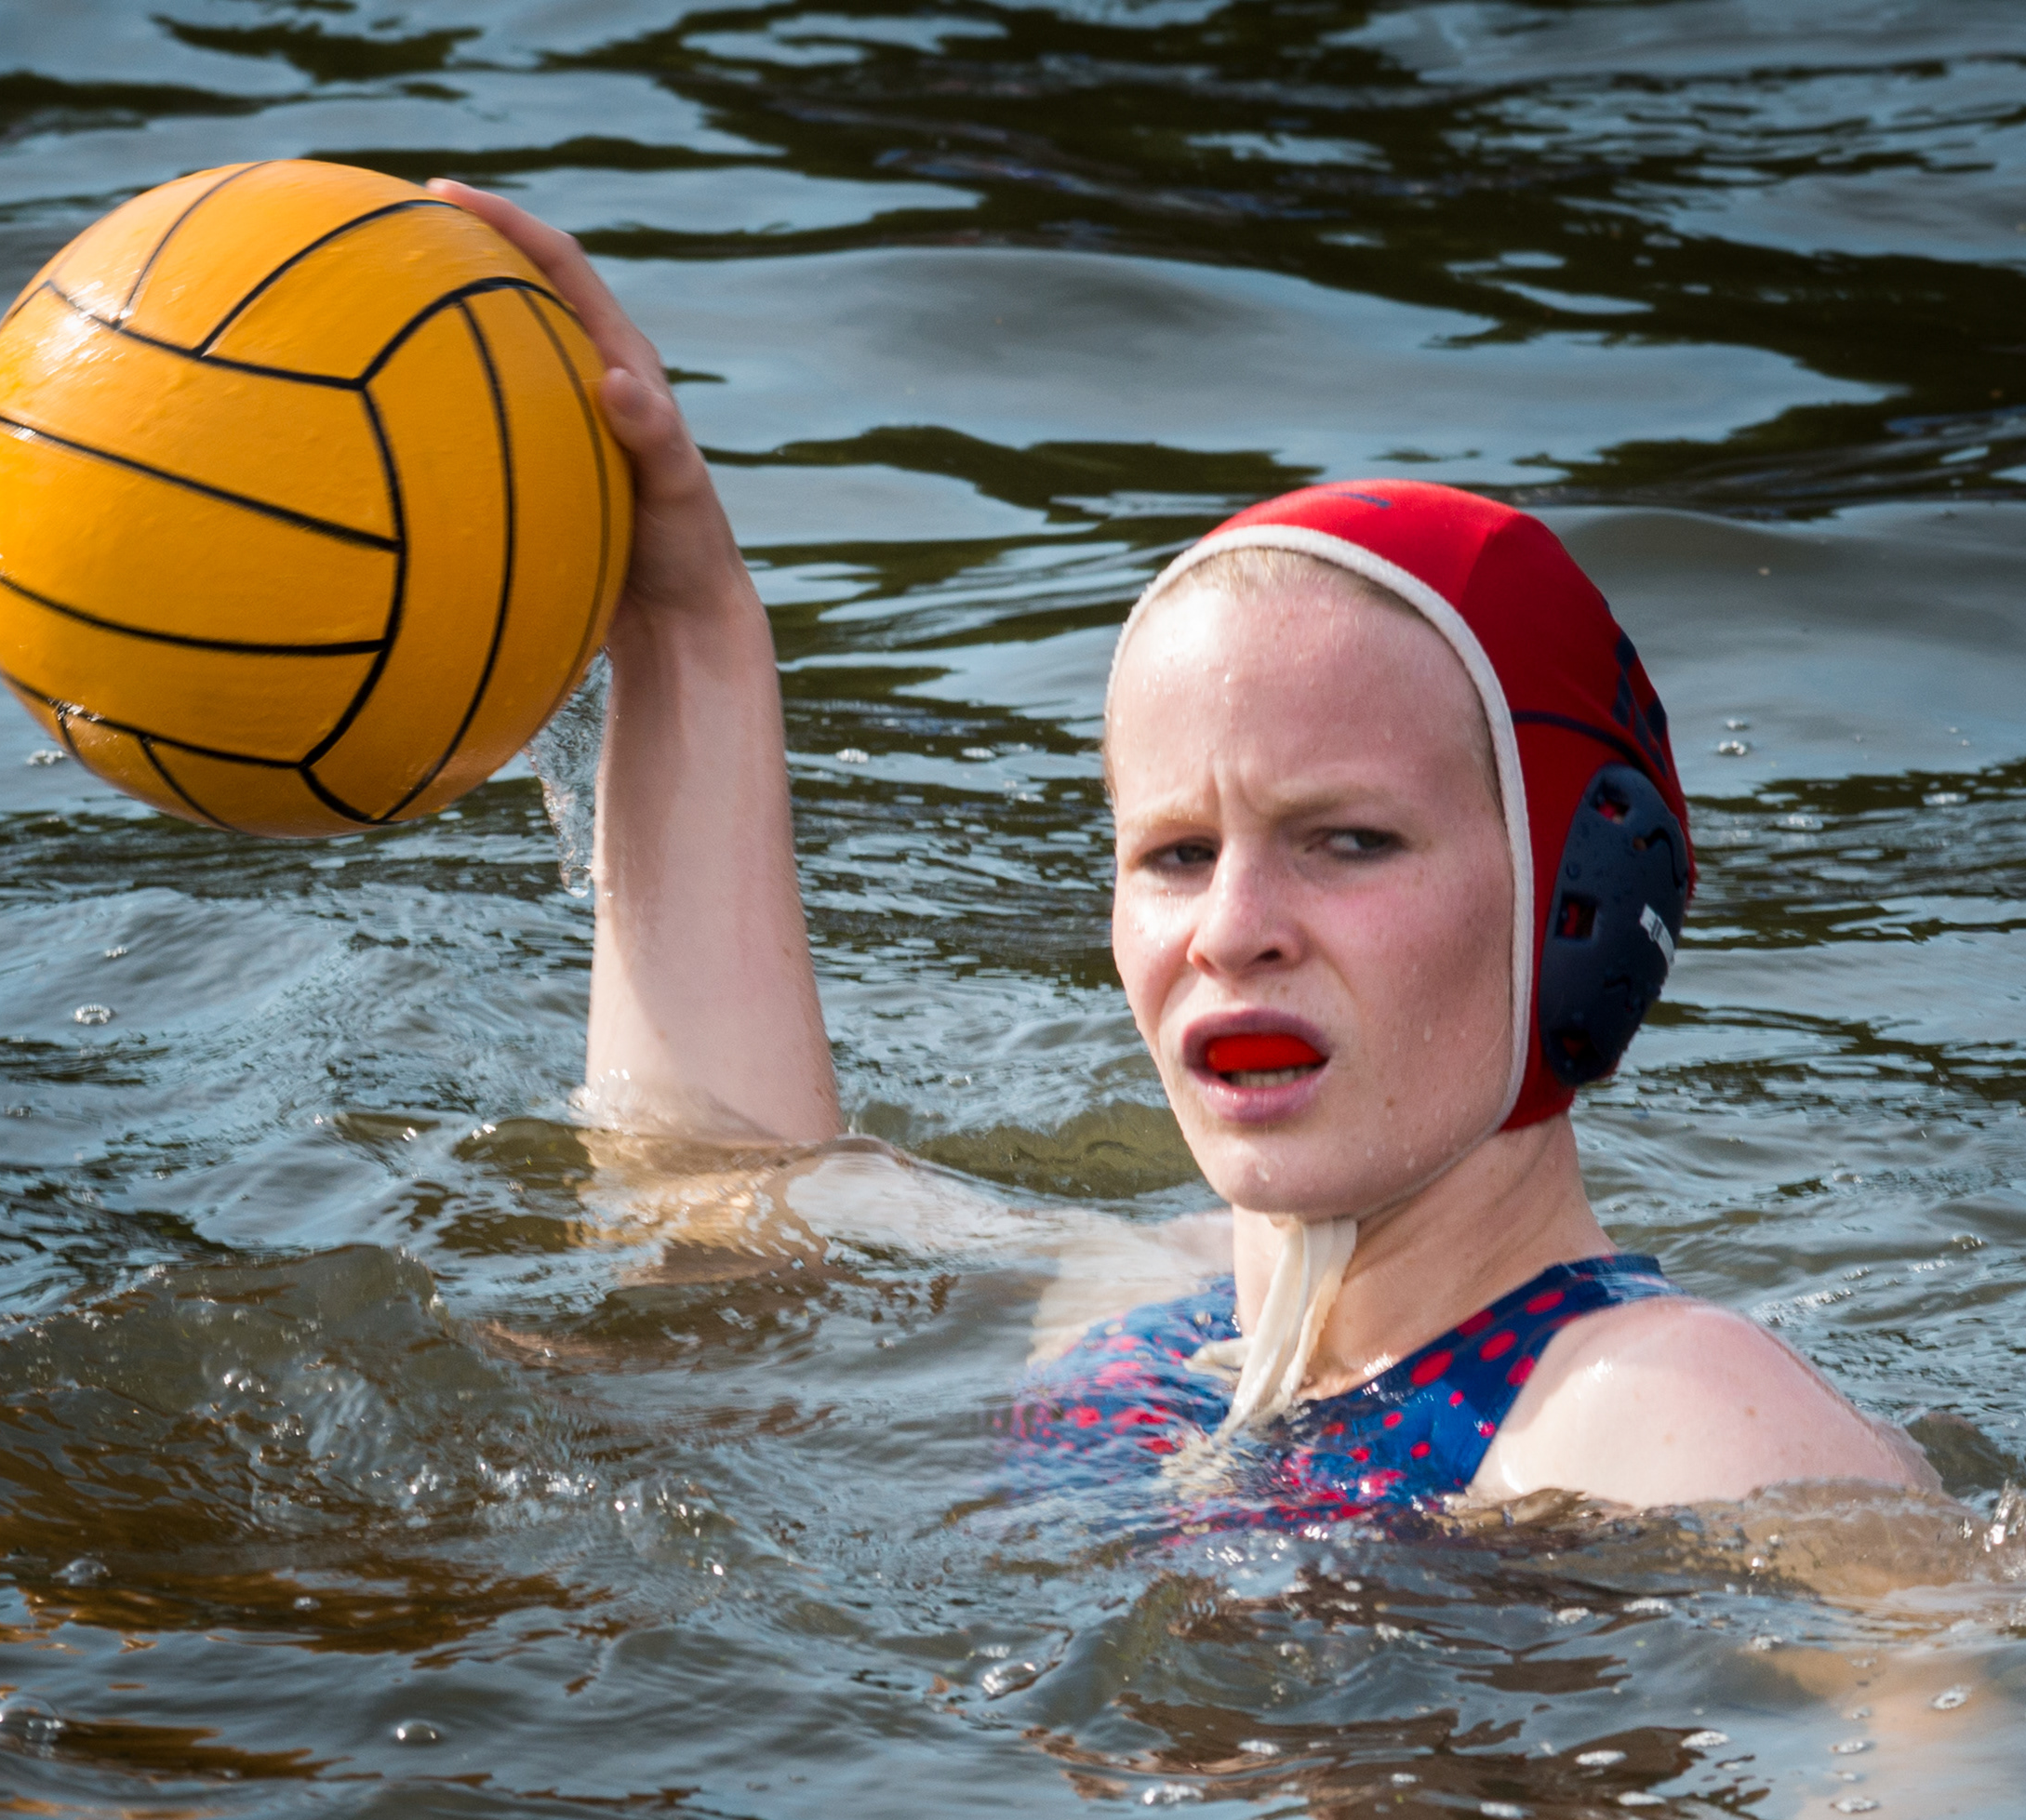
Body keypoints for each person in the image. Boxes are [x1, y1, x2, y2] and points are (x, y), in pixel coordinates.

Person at [433, 179, 1938, 1520]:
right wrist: (683, 620)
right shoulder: (1130, 1309)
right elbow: (710, 1193)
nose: (1232, 927)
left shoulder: (1660, 1413)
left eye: (1348, 840)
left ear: (1583, 903)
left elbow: (1975, 1706)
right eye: (1173, 854)